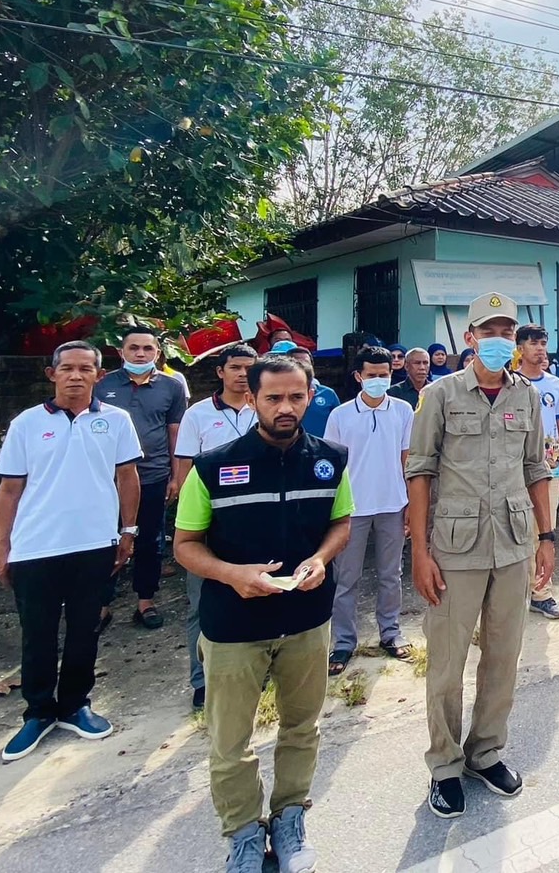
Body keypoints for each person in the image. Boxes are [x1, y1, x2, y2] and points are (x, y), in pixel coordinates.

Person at [174, 354, 353, 873]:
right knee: (231, 743)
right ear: (251, 398)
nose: (286, 407)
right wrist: (233, 574)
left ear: (310, 396)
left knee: (302, 728)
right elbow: (185, 544)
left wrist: (320, 559)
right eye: (273, 397)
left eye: (296, 396)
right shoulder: (213, 466)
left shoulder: (331, 460)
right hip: (233, 627)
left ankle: (290, 818)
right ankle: (245, 834)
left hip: (307, 620)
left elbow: (341, 522)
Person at [407, 292, 556, 820]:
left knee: (503, 655)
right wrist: (420, 552)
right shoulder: (441, 395)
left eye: (507, 333)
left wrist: (547, 537)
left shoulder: (528, 397)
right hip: (455, 548)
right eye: (488, 332)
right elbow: (420, 473)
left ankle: (485, 751)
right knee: (446, 664)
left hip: (515, 544)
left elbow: (538, 468)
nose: (499, 341)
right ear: (468, 339)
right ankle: (445, 764)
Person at [0, 341, 143, 763]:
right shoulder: (26, 423)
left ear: (99, 374)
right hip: (35, 548)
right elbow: (9, 489)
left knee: (85, 630)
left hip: (95, 545)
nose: (76, 376)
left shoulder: (116, 421)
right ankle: (38, 713)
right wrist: (2, 547)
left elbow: (127, 477)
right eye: (68, 368)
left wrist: (127, 531)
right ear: (52, 374)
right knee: (37, 634)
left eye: (85, 369)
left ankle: (76, 705)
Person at [172, 343, 260, 710]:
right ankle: (201, 680)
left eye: (249, 368)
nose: (242, 374)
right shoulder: (198, 414)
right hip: (210, 521)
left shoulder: (266, 407)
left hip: (258, 517)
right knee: (203, 602)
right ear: (220, 372)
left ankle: (258, 673)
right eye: (235, 367)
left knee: (258, 593)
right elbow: (183, 467)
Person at [324, 346, 414, 674]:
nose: (378, 380)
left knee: (391, 574)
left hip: (392, 504)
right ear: (358, 376)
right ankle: (343, 642)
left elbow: (408, 460)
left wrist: (410, 505)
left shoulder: (404, 411)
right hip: (353, 508)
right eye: (372, 375)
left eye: (384, 375)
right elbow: (333, 466)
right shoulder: (341, 415)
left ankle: (390, 632)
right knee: (346, 577)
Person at [95, 325, 187, 631]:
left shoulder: (171, 388)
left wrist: (176, 476)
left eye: (148, 348)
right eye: (134, 348)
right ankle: (102, 603)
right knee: (106, 538)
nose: (140, 353)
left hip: (153, 475)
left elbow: (175, 433)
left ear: (157, 353)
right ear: (121, 352)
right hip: (107, 479)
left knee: (150, 540)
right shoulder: (102, 384)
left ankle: (145, 600)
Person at [515, 323, 559, 620]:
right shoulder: (511, 382)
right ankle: (516, 592)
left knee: (544, 530)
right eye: (533, 343)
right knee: (515, 531)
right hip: (514, 469)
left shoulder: (554, 384)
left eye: (542, 343)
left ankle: (541, 592)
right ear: (520, 349)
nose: (539, 348)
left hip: (549, 467)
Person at [281, 345, 339, 437]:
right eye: (298, 363)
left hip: (321, 449)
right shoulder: (279, 395)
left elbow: (339, 423)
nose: (303, 367)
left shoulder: (328, 394)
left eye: (306, 363)